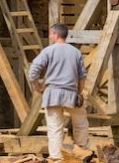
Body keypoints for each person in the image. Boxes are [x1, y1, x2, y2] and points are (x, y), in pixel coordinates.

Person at [29, 23, 89, 161]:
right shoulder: (75, 52)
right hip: (71, 93)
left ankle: (56, 157)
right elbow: (82, 77)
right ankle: (82, 152)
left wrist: (37, 86)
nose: (50, 36)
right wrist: (79, 93)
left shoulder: (48, 51)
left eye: (51, 33)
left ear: (56, 35)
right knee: (80, 124)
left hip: (53, 93)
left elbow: (33, 71)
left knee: (55, 127)